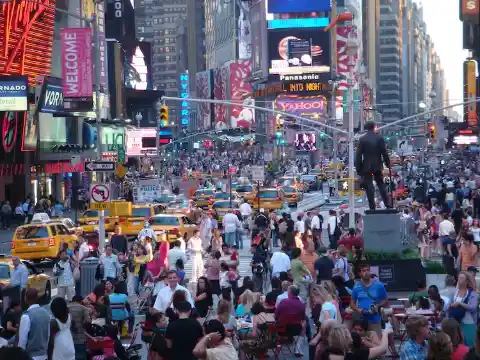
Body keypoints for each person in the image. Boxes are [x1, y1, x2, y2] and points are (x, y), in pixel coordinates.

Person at [355, 121, 391, 210]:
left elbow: (358, 155)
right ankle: (387, 204)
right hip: (377, 165)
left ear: (366, 128)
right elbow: (384, 153)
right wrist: (388, 164)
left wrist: (358, 169)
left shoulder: (362, 139)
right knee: (380, 184)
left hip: (366, 166)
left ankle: (372, 207)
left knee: (369, 186)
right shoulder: (379, 138)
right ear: (374, 127)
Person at [350, 262, 388, 334]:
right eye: (363, 271)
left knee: (377, 343)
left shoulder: (379, 285)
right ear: (359, 273)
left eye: (368, 270)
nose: (366, 272)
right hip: (361, 321)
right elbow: (352, 304)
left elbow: (385, 300)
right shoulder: (356, 286)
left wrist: (378, 306)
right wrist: (360, 310)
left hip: (375, 319)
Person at [18, 288, 51, 360]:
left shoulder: (26, 316)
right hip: (44, 355)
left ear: (25, 298)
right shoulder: (46, 314)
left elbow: (22, 341)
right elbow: (48, 335)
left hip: (30, 356)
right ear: (37, 298)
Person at [451, 271, 478, 346]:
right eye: (459, 278)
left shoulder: (472, 293)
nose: (459, 280)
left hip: (469, 322)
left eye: (462, 278)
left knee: (470, 344)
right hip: (457, 322)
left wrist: (460, 303)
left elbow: (473, 307)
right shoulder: (456, 292)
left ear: (467, 281)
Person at [67, 296, 90, 360]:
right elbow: (87, 321)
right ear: (81, 301)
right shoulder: (84, 308)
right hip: (80, 338)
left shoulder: (66, 308)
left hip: (69, 338)